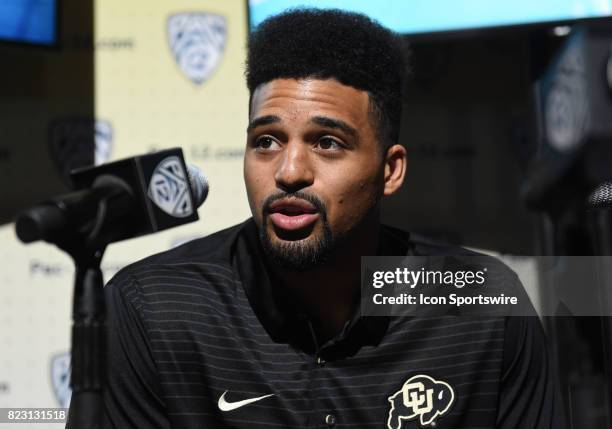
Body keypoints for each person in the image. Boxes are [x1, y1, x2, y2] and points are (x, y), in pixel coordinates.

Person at [95, 9, 564, 429]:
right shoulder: (154, 310)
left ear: (390, 170)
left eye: (327, 143)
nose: (289, 171)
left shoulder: (483, 307)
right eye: (266, 141)